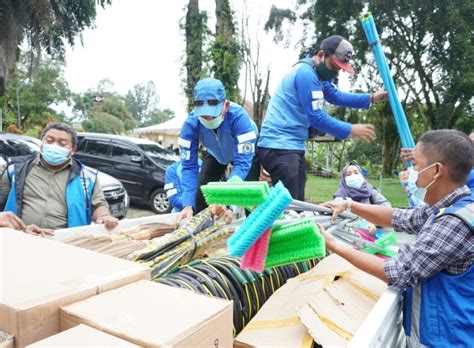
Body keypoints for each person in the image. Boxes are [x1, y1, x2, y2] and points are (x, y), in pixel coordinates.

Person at [321, 129, 474, 347]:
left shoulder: (454, 222)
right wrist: (349, 205)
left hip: (449, 340)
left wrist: (334, 245)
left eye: (417, 166)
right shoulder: (449, 206)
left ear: (436, 170)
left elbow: (400, 272)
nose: (412, 173)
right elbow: (401, 217)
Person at [257, 35, 388, 201]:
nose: (334, 72)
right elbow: (316, 117)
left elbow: (335, 96)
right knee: (288, 205)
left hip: (292, 146)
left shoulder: (317, 74)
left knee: (297, 203)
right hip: (278, 146)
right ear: (320, 55)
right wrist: (351, 129)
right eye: (333, 65)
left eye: (339, 69)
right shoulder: (306, 75)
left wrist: (371, 98)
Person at [0, 122, 118, 230]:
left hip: (66, 242)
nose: (54, 146)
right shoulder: (16, 171)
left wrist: (104, 216)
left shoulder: (88, 178)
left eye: (62, 144)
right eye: (49, 141)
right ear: (42, 143)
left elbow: (98, 204)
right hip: (20, 237)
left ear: (72, 149)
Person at [176, 78, 259, 225]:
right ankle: (202, 229)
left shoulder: (240, 118)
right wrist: (187, 204)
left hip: (242, 154)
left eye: (213, 115)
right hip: (215, 154)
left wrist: (229, 203)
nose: (208, 120)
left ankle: (253, 232)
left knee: (250, 195)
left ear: (225, 105)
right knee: (201, 193)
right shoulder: (190, 125)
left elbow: (242, 164)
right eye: (203, 116)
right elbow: (189, 167)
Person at [334, 163, 391, 234]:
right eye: (349, 174)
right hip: (348, 236)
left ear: (361, 175)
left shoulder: (371, 191)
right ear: (344, 179)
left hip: (370, 236)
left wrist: (374, 222)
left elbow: (387, 208)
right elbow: (336, 215)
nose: (353, 176)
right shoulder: (340, 195)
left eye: (356, 173)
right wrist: (346, 227)